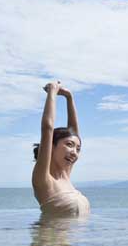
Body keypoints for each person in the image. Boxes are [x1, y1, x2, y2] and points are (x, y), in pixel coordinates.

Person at [32, 81, 90, 216]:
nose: (74, 152)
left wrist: (69, 97)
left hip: (73, 238)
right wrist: (52, 91)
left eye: (78, 149)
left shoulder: (66, 175)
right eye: (69, 145)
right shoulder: (44, 179)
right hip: (49, 237)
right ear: (51, 146)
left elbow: (74, 132)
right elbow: (47, 128)